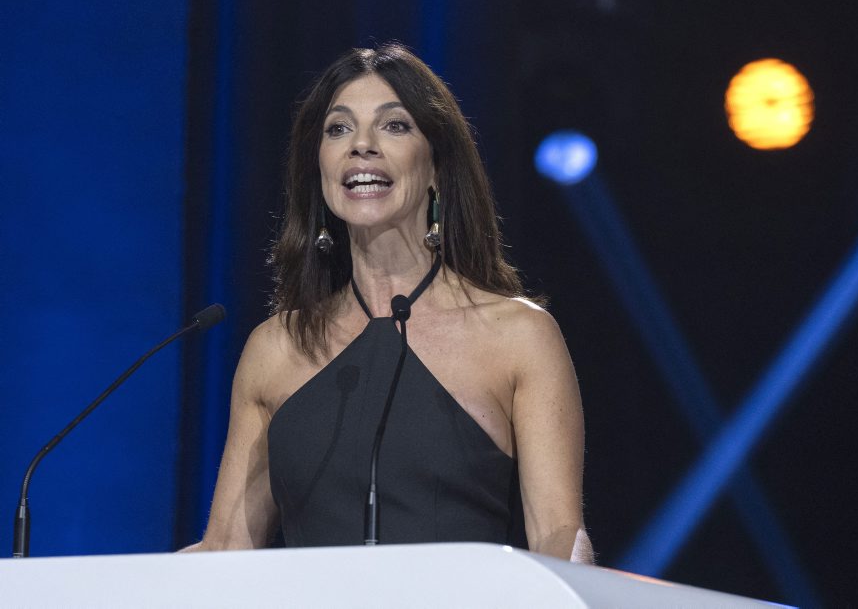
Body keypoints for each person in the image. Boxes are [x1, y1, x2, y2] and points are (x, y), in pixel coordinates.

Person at [182, 43, 593, 563]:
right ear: (320, 169)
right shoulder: (276, 347)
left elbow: (559, 535)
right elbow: (225, 549)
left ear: (437, 166)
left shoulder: (519, 336)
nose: (361, 146)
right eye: (338, 129)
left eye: (394, 125)